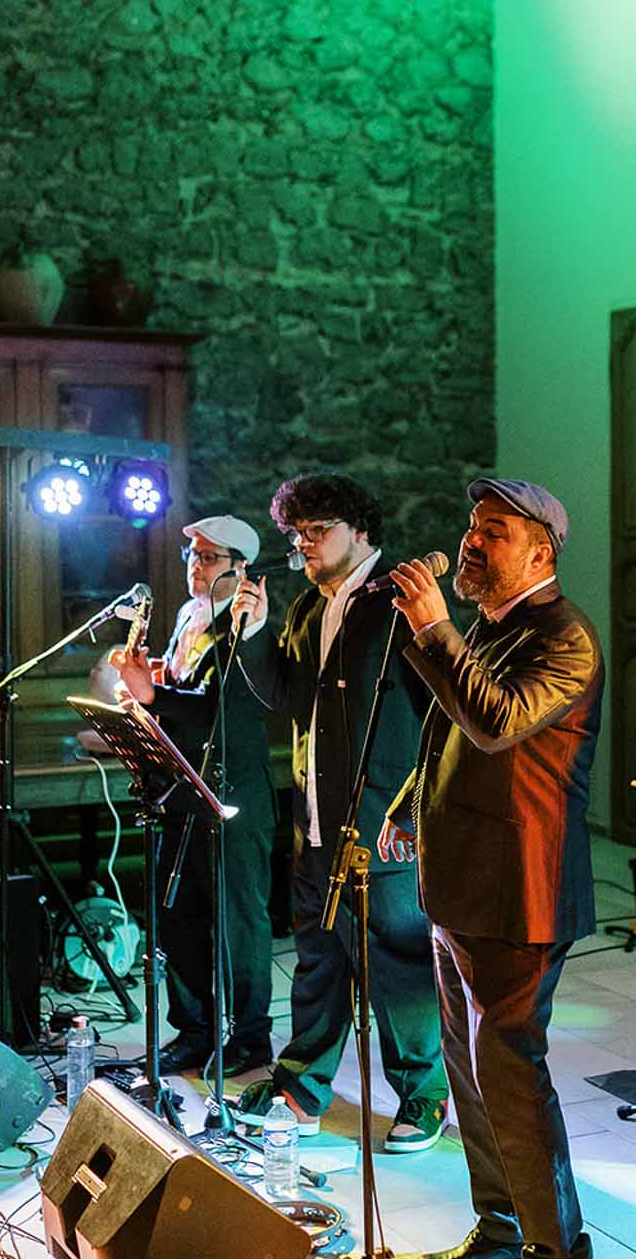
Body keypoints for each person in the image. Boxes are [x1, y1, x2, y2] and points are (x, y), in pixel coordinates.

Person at [378, 477, 604, 1259]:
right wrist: (408, 798)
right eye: (472, 529)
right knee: (471, 1070)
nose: (471, 544)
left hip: (520, 892)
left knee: (510, 1073)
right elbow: (447, 731)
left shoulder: (567, 638)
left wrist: (433, 628)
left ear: (540, 551)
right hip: (462, 881)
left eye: (493, 533)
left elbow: (496, 720)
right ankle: (504, 1228)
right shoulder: (491, 626)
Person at [228, 472, 448, 1149]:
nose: (303, 546)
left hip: (384, 820)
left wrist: (414, 813)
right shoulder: (304, 609)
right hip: (316, 816)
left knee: (398, 962)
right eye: (296, 534)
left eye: (316, 532)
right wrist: (256, 631)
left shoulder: (400, 602)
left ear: (359, 531)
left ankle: (424, 1096)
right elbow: (289, 702)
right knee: (319, 956)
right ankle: (301, 1085)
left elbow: (444, 711)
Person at [113, 516, 276, 1075]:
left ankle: (251, 1035)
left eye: (209, 557)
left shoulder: (248, 622)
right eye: (192, 554)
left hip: (234, 789)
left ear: (240, 568)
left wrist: (154, 695)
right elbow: (186, 696)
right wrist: (150, 685)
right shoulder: (187, 616)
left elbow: (223, 710)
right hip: (183, 784)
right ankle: (196, 1029)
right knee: (178, 912)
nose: (195, 565)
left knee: (236, 920)